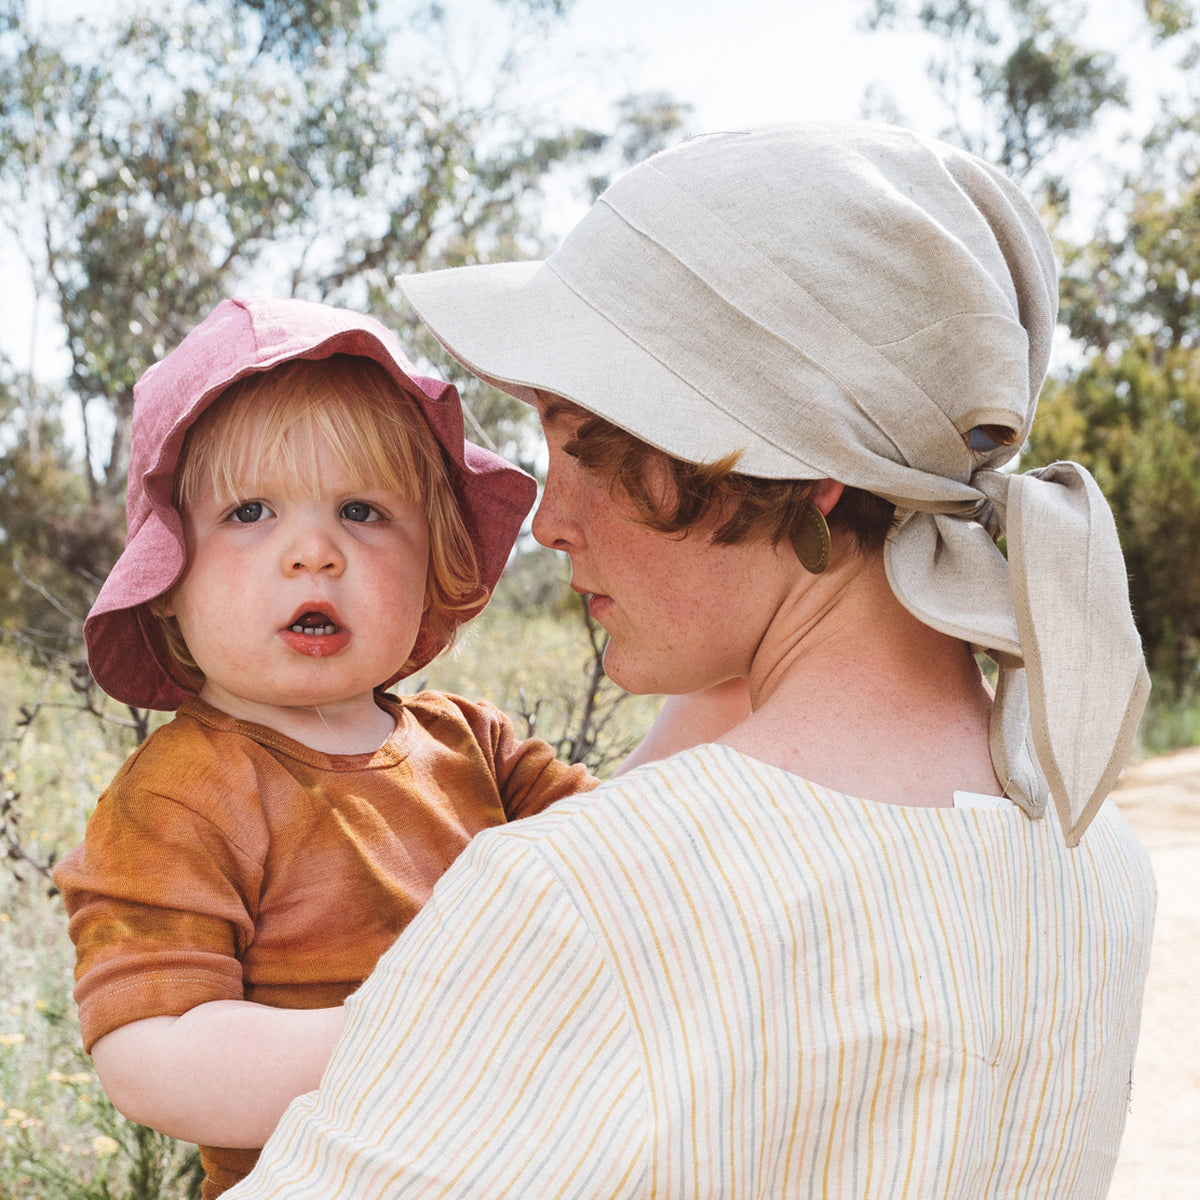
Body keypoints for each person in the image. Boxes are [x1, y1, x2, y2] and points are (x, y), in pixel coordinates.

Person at [224, 122, 1156, 1198]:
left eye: (580, 438)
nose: (548, 521)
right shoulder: (1096, 858)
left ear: (792, 464)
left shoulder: (586, 898)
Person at [53, 297, 604, 1198]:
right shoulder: (183, 791)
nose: (313, 551)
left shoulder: (476, 745)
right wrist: (409, 1035)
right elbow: (149, 1054)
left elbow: (634, 843)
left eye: (361, 510)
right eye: (250, 511)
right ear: (166, 579)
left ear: (434, 559)